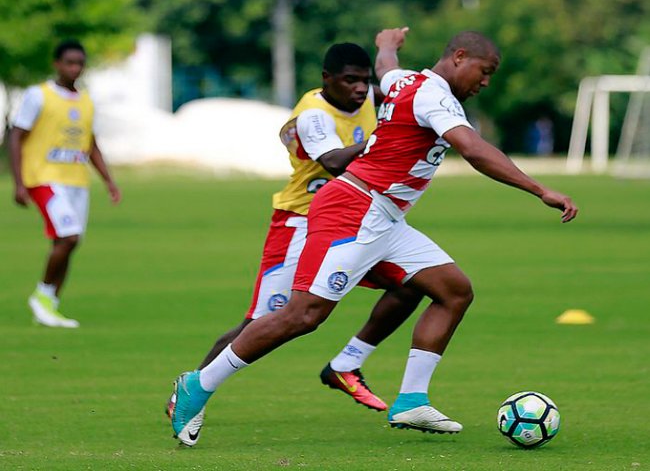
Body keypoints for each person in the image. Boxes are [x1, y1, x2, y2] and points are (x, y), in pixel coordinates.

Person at [169, 28, 578, 447]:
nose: (486, 81)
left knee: (454, 290)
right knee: (303, 316)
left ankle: (411, 400)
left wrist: (387, 44)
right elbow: (472, 149)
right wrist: (539, 189)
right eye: (485, 71)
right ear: (459, 56)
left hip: (385, 217)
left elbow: (386, 69)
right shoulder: (434, 97)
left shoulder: (405, 82)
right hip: (354, 210)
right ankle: (197, 385)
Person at [166, 42, 426, 434]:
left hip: (354, 222)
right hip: (300, 223)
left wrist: (391, 53)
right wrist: (383, 141)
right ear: (327, 79)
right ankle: (191, 390)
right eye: (349, 80)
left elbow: (399, 91)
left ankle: (347, 364)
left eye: (364, 80)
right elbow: (335, 162)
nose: (359, 88)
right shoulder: (313, 115)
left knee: (414, 283)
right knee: (263, 321)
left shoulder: (371, 98)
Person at [9, 40, 121, 328]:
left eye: (80, 63)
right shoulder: (39, 95)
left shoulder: (85, 100)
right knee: (68, 235)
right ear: (57, 64)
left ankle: (50, 305)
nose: (75, 68)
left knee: (69, 242)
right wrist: (19, 183)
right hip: (43, 177)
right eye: (69, 62)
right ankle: (42, 295)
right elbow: (16, 136)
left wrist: (108, 180)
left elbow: (91, 144)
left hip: (75, 180)